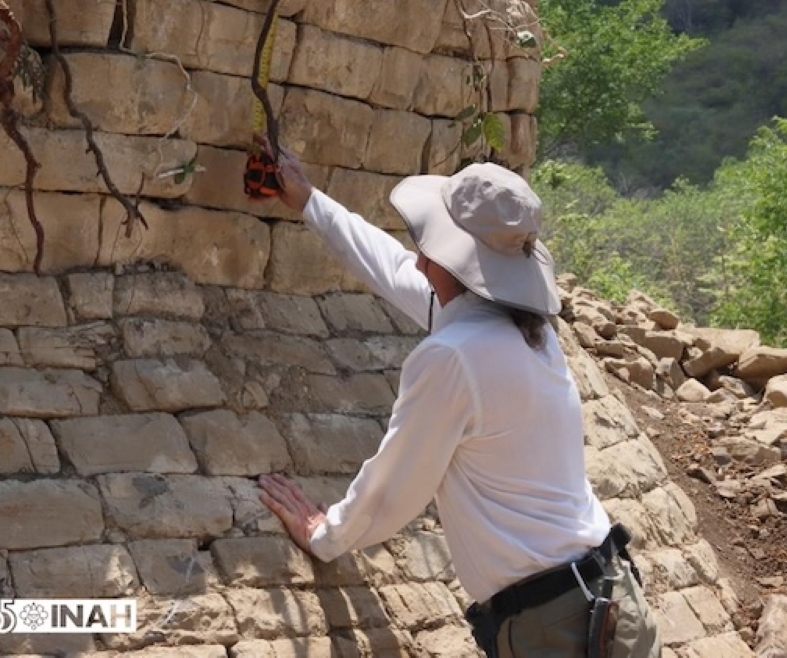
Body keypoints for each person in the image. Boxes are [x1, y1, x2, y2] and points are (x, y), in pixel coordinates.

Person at [255, 143, 661, 658]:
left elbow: (395, 484)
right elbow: (393, 268)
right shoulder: (523, 331)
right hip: (610, 598)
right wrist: (311, 201)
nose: (421, 257)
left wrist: (324, 535)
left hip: (555, 630)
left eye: (432, 244)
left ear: (456, 261)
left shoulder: (455, 356)